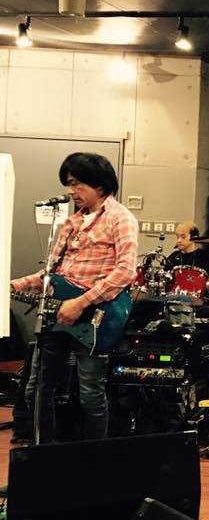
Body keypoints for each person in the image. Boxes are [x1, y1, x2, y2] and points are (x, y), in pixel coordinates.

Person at [10, 152, 138, 442]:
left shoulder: (120, 218)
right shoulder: (70, 223)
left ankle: (93, 457)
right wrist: (15, 285)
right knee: (37, 390)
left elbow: (125, 271)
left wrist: (81, 302)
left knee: (90, 393)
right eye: (69, 184)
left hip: (96, 316)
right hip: (58, 316)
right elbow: (52, 275)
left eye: (77, 183)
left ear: (100, 185)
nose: (71, 191)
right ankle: (46, 452)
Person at [166, 221, 209, 289]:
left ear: (194, 238)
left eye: (183, 237)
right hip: (175, 294)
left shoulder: (206, 257)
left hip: (197, 294)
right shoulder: (174, 256)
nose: (179, 240)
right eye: (177, 237)